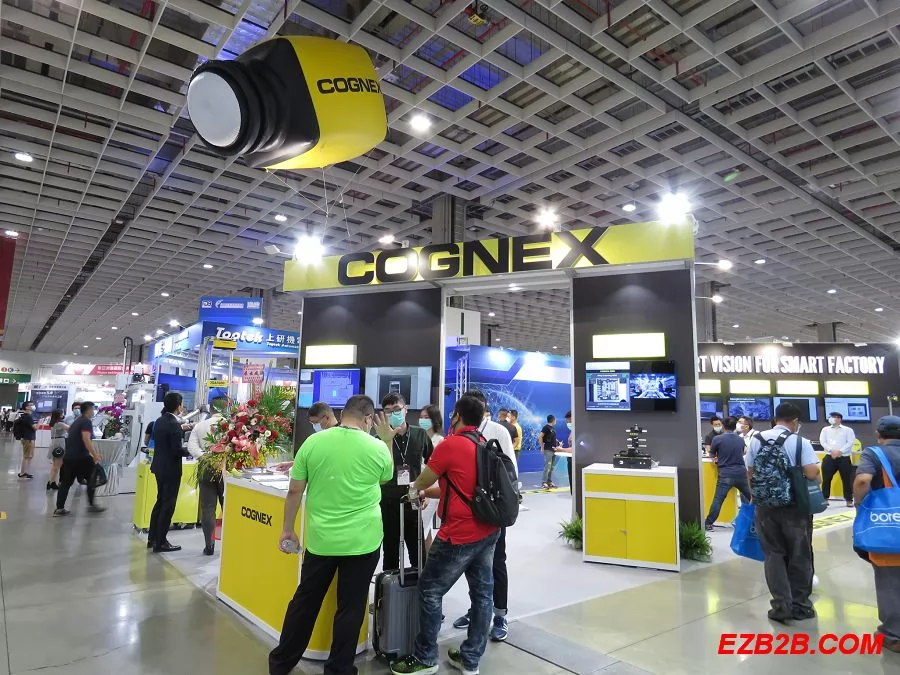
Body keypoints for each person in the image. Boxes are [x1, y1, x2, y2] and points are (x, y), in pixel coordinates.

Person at [269, 395, 393, 675]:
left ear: (342, 413)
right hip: (363, 541)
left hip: (321, 541)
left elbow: (294, 490)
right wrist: (387, 440)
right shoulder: (376, 446)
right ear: (368, 419)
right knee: (351, 607)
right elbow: (385, 477)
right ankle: (339, 669)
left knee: (305, 602)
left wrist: (287, 528)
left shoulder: (313, 442)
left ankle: (280, 664)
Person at [390, 395, 501, 675]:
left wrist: (415, 489)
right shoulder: (483, 444)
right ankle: (470, 659)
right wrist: (427, 493)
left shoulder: (451, 444)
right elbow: (458, 487)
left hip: (458, 534)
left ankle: (426, 658)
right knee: (482, 595)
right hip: (488, 531)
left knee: (430, 589)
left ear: (457, 416)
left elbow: (423, 478)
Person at [452, 388, 517, 642]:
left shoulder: (498, 431)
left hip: (493, 511)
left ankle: (500, 615)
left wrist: (505, 507)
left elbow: (510, 472)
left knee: (496, 561)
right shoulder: (458, 432)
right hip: (468, 512)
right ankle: (477, 610)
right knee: (473, 565)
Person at [746, 403, 820, 624]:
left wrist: (756, 496)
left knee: (773, 555)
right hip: (795, 507)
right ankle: (800, 606)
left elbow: (750, 472)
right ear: (795, 421)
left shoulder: (757, 439)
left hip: (765, 507)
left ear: (776, 418)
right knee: (800, 554)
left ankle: (781, 605)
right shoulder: (800, 442)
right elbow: (812, 473)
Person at [853, 415, 900, 653]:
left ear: (879, 434)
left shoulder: (874, 453)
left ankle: (893, 635)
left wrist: (859, 505)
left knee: (889, 581)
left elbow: (863, 480)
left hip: (887, 527)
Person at [378, 392, 434, 572]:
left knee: (417, 550)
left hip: (413, 498)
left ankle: (420, 586)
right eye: (388, 411)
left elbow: (433, 464)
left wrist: (426, 491)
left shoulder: (420, 434)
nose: (392, 414)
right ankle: (390, 588)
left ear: (405, 409)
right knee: (390, 550)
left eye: (396, 409)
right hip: (387, 500)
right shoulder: (380, 439)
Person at [148, 392, 191, 553]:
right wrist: (191, 451)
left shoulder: (160, 421)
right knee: (168, 505)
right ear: (178, 406)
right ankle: (161, 542)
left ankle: (152, 538)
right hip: (170, 470)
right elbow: (176, 450)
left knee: (160, 502)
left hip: (159, 467)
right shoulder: (173, 424)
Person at [187, 397, 227, 555]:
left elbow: (191, 447)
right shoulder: (231, 425)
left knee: (208, 508)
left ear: (211, 409)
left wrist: (206, 457)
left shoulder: (200, 425)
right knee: (228, 507)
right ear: (226, 408)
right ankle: (229, 544)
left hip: (206, 468)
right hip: (225, 469)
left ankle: (209, 545)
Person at [53, 402, 104, 516]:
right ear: (89, 410)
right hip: (81, 457)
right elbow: (86, 439)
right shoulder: (86, 421)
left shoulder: (77, 421)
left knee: (66, 483)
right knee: (92, 478)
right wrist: (95, 455)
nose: (93, 411)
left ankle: (59, 508)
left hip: (69, 457)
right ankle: (92, 505)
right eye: (93, 409)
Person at [704, 416, 751, 531]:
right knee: (753, 497)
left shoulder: (717, 439)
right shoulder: (740, 439)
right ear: (735, 427)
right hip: (741, 473)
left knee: (718, 500)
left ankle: (708, 523)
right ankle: (764, 520)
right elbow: (743, 452)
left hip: (725, 474)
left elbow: (711, 454)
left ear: (723, 426)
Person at [820, 412, 857, 507]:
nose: (831, 419)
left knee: (847, 480)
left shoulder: (848, 430)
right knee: (826, 479)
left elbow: (850, 442)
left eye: (833, 417)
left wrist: (840, 451)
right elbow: (823, 442)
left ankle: (849, 499)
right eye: (831, 417)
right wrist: (831, 450)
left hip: (844, 458)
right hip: (829, 457)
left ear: (839, 419)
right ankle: (824, 498)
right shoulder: (825, 430)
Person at [47, 409, 68, 490]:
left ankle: (52, 481)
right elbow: (70, 428)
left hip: (54, 443)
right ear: (59, 415)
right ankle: (51, 482)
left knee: (54, 465)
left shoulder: (53, 423)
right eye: (62, 414)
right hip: (60, 443)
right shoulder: (60, 424)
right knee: (57, 465)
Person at [17, 401, 36, 479]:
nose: (33, 406)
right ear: (27, 407)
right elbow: (34, 427)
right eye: (31, 405)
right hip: (28, 438)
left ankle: (25, 472)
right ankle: (23, 472)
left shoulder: (24, 416)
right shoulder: (28, 417)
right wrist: (39, 424)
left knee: (28, 456)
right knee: (27, 456)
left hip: (26, 438)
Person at [540, 414, 558, 490]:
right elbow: (540, 437)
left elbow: (552, 438)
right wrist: (542, 447)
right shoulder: (546, 427)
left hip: (554, 450)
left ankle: (549, 481)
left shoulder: (552, 428)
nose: (556, 421)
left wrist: (558, 442)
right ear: (553, 420)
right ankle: (544, 482)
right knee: (547, 466)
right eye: (555, 420)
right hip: (548, 449)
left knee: (552, 467)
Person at [560, 411, 574, 493]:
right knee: (572, 482)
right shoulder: (572, 431)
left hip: (576, 461)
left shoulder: (579, 431)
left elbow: (576, 449)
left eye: (570, 421)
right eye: (567, 421)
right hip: (570, 460)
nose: (568, 423)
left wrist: (562, 449)